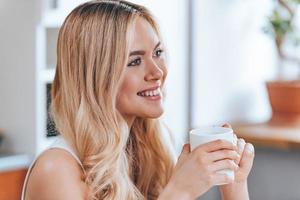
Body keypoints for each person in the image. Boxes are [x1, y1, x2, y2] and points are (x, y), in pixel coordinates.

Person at [22, 1, 255, 199]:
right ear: (96, 76)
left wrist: (234, 186)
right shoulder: (56, 170)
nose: (157, 71)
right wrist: (180, 191)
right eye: (134, 61)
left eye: (157, 53)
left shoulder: (148, 155)